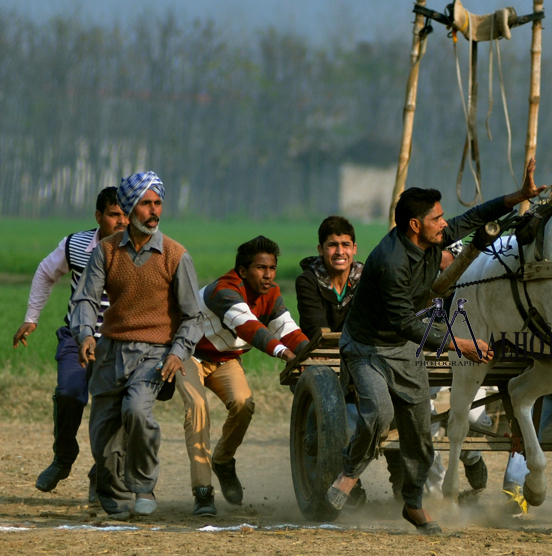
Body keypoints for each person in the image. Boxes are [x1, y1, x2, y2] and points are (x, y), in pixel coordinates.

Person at [325, 159, 546, 535]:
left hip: (404, 348)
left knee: (420, 434)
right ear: (415, 225)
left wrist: (519, 196)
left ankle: (412, 503)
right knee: (379, 413)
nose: (445, 223)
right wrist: (461, 343)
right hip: (368, 347)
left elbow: (476, 216)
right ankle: (349, 471)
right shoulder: (390, 262)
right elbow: (405, 323)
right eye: (437, 218)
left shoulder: (434, 238)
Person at [72, 171, 202, 520]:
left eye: (157, 203)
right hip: (110, 350)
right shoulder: (107, 251)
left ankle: (143, 483)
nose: (154, 211)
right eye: (146, 204)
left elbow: (193, 316)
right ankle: (114, 495)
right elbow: (85, 298)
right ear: (129, 209)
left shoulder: (175, 255)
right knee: (103, 431)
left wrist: (178, 353)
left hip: (155, 353)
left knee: (137, 411)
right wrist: (85, 334)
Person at [179, 236, 312, 516]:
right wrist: (282, 353)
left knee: (244, 404)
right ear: (242, 271)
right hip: (188, 354)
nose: (268, 275)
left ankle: (224, 460)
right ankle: (203, 491)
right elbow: (248, 326)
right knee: (197, 408)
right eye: (261, 268)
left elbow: (287, 329)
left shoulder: (271, 293)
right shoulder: (224, 290)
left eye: (272, 268)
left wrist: (311, 354)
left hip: (225, 359)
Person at [13, 187, 127, 494]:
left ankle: (100, 474)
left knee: (120, 409)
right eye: (114, 214)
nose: (122, 222)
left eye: (127, 214)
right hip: (76, 335)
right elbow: (45, 272)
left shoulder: (143, 250)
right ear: (98, 216)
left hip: (121, 343)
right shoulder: (76, 245)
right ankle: (63, 458)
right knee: (69, 393)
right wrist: (31, 317)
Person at [295, 215, 364, 340]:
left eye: (345, 245)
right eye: (332, 245)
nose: (340, 251)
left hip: (358, 350)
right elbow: (315, 326)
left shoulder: (366, 279)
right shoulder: (308, 281)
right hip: (320, 349)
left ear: (354, 249)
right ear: (320, 249)